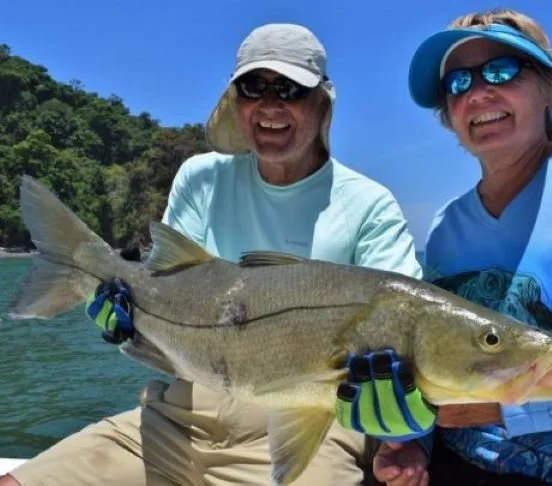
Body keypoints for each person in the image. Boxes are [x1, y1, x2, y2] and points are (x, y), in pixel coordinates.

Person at [0, 23, 423, 486]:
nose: (269, 104)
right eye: (252, 88)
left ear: (322, 102)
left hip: (313, 432)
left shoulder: (369, 203)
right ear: (235, 102)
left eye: (289, 89)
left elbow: (407, 336)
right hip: (179, 415)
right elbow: (171, 289)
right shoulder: (201, 177)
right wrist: (128, 329)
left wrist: (409, 432)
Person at [338, 7, 552, 486]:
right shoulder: (444, 227)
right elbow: (437, 362)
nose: (479, 92)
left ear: (549, 87)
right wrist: (413, 442)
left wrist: (507, 411)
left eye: (502, 70)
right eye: (458, 83)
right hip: (453, 467)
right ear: (448, 114)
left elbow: (481, 399)